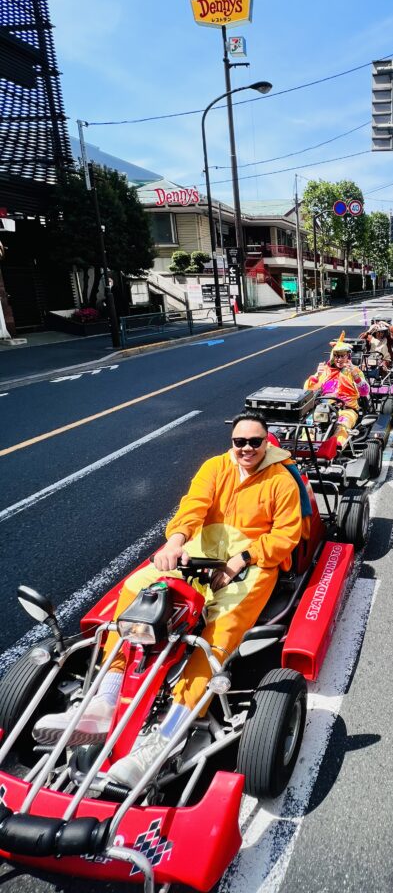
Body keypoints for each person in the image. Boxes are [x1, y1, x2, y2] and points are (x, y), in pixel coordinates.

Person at [33, 411, 305, 787]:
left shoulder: (281, 479)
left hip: (255, 562)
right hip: (202, 549)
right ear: (232, 442)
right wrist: (175, 541)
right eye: (239, 442)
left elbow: (285, 537)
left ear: (266, 442)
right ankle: (106, 700)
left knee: (216, 631)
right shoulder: (215, 467)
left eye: (255, 442)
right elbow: (193, 506)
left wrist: (239, 561)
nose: (246, 449)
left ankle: (167, 734)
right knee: (134, 590)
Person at [303, 331, 370, 447]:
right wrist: (316, 377)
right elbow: (307, 390)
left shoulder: (355, 371)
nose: (339, 359)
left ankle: (336, 446)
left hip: (347, 409)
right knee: (309, 425)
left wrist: (355, 376)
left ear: (348, 356)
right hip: (324, 409)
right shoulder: (325, 371)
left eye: (342, 356)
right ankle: (304, 446)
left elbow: (365, 391)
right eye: (336, 356)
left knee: (341, 426)